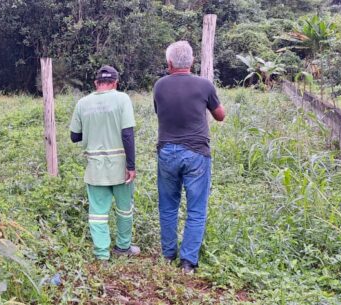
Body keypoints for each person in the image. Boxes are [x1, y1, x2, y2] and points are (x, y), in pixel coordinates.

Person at [153, 41, 226, 274]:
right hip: (196, 153)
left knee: (167, 205)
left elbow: (159, 111)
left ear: (169, 63)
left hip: (167, 152)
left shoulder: (159, 86)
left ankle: (167, 255)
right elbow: (220, 116)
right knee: (196, 208)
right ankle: (188, 263)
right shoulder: (204, 85)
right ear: (192, 62)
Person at [70, 65, 140, 261]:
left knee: (98, 214)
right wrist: (131, 166)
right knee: (124, 209)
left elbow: (74, 136)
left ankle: (102, 254)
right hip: (121, 167)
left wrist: (93, 129)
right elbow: (127, 134)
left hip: (95, 167)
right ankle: (123, 247)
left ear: (96, 83)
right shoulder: (122, 99)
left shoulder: (83, 103)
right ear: (115, 83)